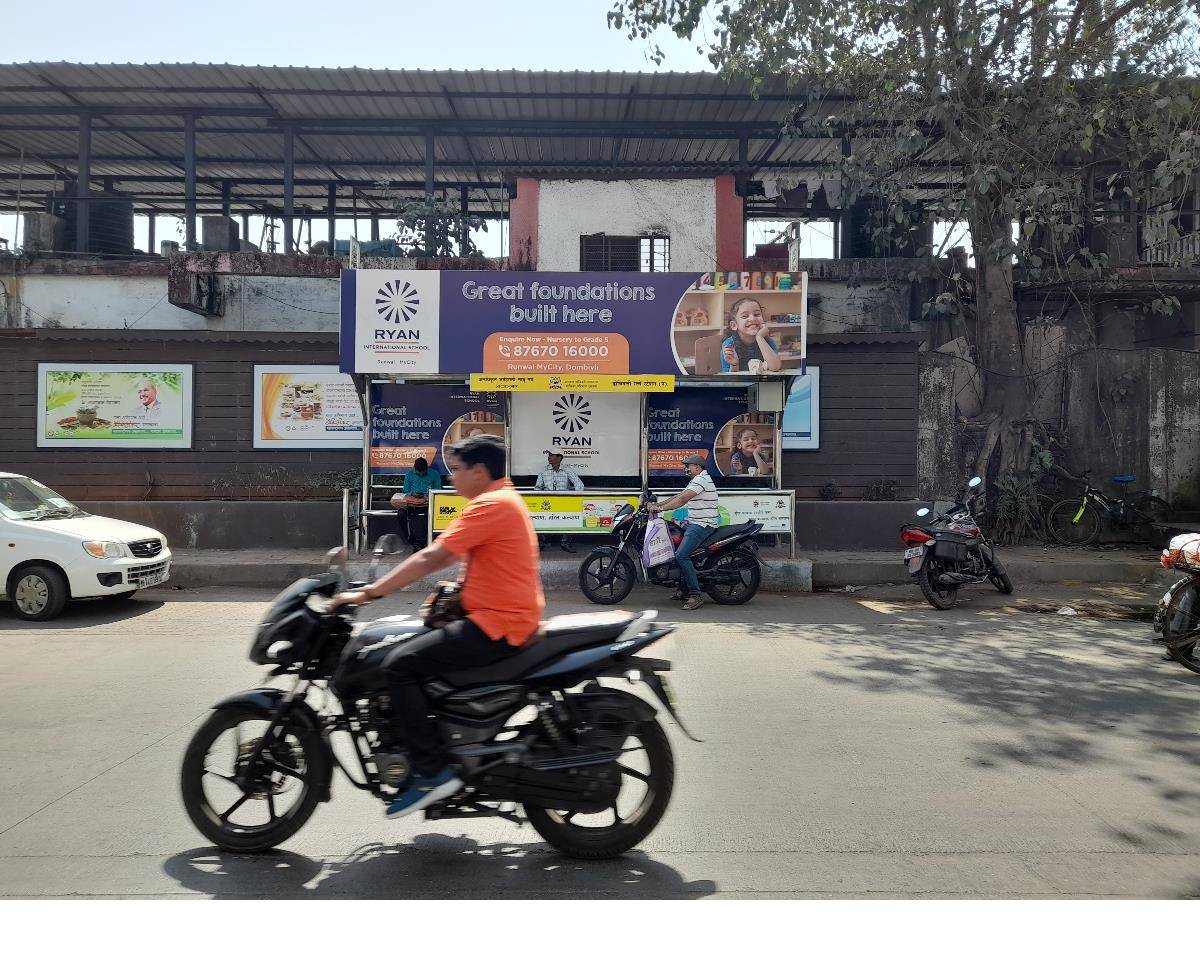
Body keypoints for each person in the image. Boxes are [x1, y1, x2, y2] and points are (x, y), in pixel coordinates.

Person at [331, 434, 543, 819]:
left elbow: (433, 557)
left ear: (479, 471)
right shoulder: (500, 500)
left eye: (457, 470)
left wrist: (369, 594)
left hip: (497, 624)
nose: (451, 478)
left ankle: (431, 772)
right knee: (413, 645)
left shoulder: (491, 505)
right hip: (496, 616)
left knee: (399, 664)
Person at [648, 452, 719, 611]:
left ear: (696, 467)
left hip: (702, 525)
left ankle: (695, 594)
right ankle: (684, 588)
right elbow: (678, 495)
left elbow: (681, 500)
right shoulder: (696, 480)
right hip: (695, 522)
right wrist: (657, 505)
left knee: (681, 555)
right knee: (674, 545)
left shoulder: (701, 480)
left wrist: (660, 508)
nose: (685, 469)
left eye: (687, 466)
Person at [534, 448, 584, 553]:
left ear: (559, 458)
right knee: (537, 517)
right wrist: (541, 498)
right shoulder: (544, 470)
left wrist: (573, 498)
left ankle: (566, 543)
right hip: (547, 501)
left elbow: (579, 485)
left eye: (552, 455)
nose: (549, 457)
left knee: (570, 517)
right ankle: (541, 542)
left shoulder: (567, 469)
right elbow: (538, 488)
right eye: (549, 455)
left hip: (563, 501)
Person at [390, 456, 442, 551]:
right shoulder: (409, 474)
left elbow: (438, 490)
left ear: (427, 468)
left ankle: (421, 542)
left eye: (424, 472)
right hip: (411, 502)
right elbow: (405, 491)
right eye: (419, 472)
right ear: (415, 469)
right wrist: (412, 494)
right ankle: (409, 538)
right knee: (401, 514)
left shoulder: (434, 474)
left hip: (428, 503)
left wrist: (427, 496)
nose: (422, 474)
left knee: (423, 516)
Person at [721, 298, 782, 374]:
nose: (752, 319)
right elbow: (729, 377)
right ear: (734, 325)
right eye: (745, 316)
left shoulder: (768, 341)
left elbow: (775, 367)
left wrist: (759, 337)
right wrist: (734, 364)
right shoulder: (729, 345)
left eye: (756, 314)